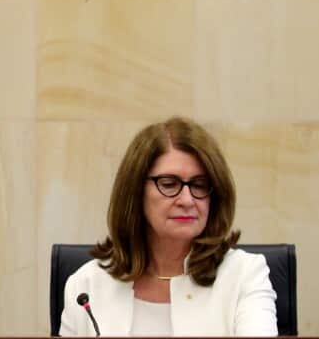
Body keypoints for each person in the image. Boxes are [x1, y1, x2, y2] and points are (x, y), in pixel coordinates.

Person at [59, 117, 277, 336]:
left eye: (199, 186)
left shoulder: (245, 276)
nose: (187, 200)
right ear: (135, 191)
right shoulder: (86, 286)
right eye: (169, 184)